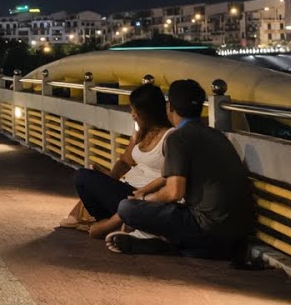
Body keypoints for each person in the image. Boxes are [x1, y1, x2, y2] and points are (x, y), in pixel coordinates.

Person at [108, 79, 253, 258]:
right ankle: (168, 244)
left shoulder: (178, 138)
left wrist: (144, 199)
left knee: (127, 208)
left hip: (205, 229)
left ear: (170, 108)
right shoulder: (217, 135)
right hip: (238, 237)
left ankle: (167, 243)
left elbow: (174, 192)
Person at [64, 83, 171, 238]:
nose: (133, 115)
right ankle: (112, 221)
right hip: (125, 190)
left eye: (136, 110)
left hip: (142, 196)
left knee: (83, 176)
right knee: (83, 177)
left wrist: (143, 194)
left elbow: (170, 176)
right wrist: (108, 179)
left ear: (148, 111)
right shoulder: (139, 132)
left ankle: (116, 223)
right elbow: (125, 162)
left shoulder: (169, 137)